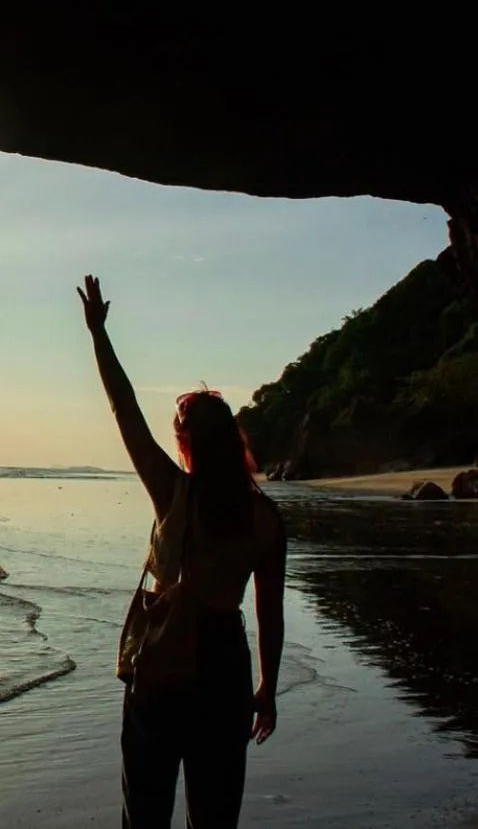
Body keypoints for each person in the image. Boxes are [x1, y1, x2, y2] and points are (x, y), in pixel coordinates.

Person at [77, 274, 287, 828]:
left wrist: (99, 334)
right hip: (225, 664)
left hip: (167, 663)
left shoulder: (174, 492)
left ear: (186, 444)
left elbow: (125, 411)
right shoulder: (266, 518)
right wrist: (267, 686)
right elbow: (269, 611)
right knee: (214, 816)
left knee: (145, 811)